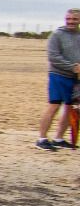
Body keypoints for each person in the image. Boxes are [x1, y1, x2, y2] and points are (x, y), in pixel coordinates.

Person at [36, 8, 80, 151]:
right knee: (54, 105)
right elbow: (53, 57)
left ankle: (59, 139)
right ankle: (42, 139)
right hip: (58, 75)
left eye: (74, 19)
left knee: (70, 107)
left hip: (75, 78)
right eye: (68, 19)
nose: (71, 22)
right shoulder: (57, 35)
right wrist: (72, 67)